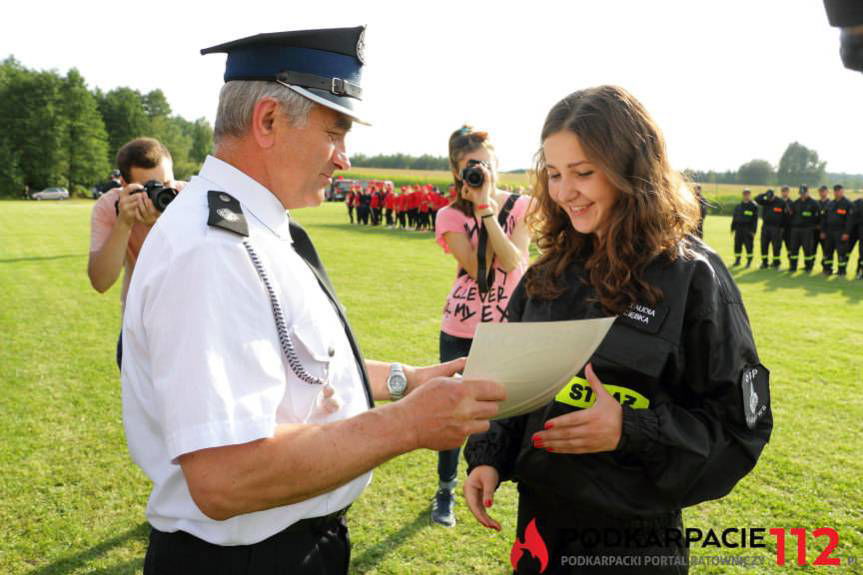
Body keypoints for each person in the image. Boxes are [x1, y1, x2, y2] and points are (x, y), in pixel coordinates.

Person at [122, 27, 506, 575]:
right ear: (269, 120)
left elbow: (295, 363)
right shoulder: (210, 251)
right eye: (335, 131)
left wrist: (407, 381)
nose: (344, 159)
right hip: (246, 559)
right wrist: (407, 425)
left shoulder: (256, 227)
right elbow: (225, 477)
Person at [463, 86, 772, 575]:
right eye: (556, 174)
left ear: (632, 168)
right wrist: (489, 456)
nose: (565, 192)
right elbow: (509, 386)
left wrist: (630, 431)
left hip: (634, 542)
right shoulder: (546, 275)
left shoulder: (693, 277)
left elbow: (740, 427)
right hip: (541, 531)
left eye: (583, 173)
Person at [430, 125, 532, 527]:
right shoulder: (449, 215)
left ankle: (501, 478)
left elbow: (512, 262)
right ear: (457, 171)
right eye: (470, 166)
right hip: (461, 325)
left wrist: (488, 208)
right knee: (454, 412)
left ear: (496, 165)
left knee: (508, 410)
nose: (479, 171)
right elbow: (477, 270)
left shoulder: (522, 206)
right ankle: (445, 489)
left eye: (485, 164)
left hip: (506, 325)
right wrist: (477, 208)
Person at [87, 137, 180, 369]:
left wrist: (161, 225)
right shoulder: (110, 206)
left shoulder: (189, 198)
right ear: (124, 184)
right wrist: (123, 223)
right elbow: (101, 281)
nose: (162, 194)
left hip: (186, 324)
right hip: (139, 328)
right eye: (150, 188)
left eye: (167, 183)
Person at [820, 184, 855, 276]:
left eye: (839, 190)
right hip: (829, 232)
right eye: (835, 190)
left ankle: (841, 271)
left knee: (841, 252)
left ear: (843, 191)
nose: (837, 192)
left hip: (841, 232)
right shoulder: (830, 203)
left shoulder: (848, 204)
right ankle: (827, 269)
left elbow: (849, 220)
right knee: (828, 251)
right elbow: (824, 218)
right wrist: (823, 231)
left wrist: (846, 233)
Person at [787, 185, 821, 272]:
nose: (802, 195)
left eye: (804, 193)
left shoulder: (814, 203)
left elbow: (818, 217)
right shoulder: (796, 203)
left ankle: (808, 267)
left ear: (808, 192)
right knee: (794, 248)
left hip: (807, 230)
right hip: (795, 229)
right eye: (801, 193)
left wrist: (814, 226)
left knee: (807, 249)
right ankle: (793, 267)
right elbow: (791, 215)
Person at [755, 188, 785, 269]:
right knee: (764, 245)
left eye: (770, 197)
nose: (770, 199)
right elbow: (756, 199)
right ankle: (764, 263)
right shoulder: (766, 201)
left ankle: (776, 263)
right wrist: (764, 194)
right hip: (765, 227)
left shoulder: (781, 202)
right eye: (768, 197)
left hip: (776, 228)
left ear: (774, 195)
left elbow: (785, 216)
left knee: (776, 246)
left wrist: (782, 227)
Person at [730, 188, 758, 267]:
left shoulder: (753, 206)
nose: (746, 195)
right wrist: (732, 228)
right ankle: (737, 260)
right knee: (737, 245)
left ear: (750, 195)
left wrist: (753, 231)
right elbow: (735, 217)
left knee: (749, 246)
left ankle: (749, 262)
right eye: (745, 194)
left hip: (748, 229)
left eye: (748, 194)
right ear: (743, 195)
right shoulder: (739, 206)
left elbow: (755, 220)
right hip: (739, 229)